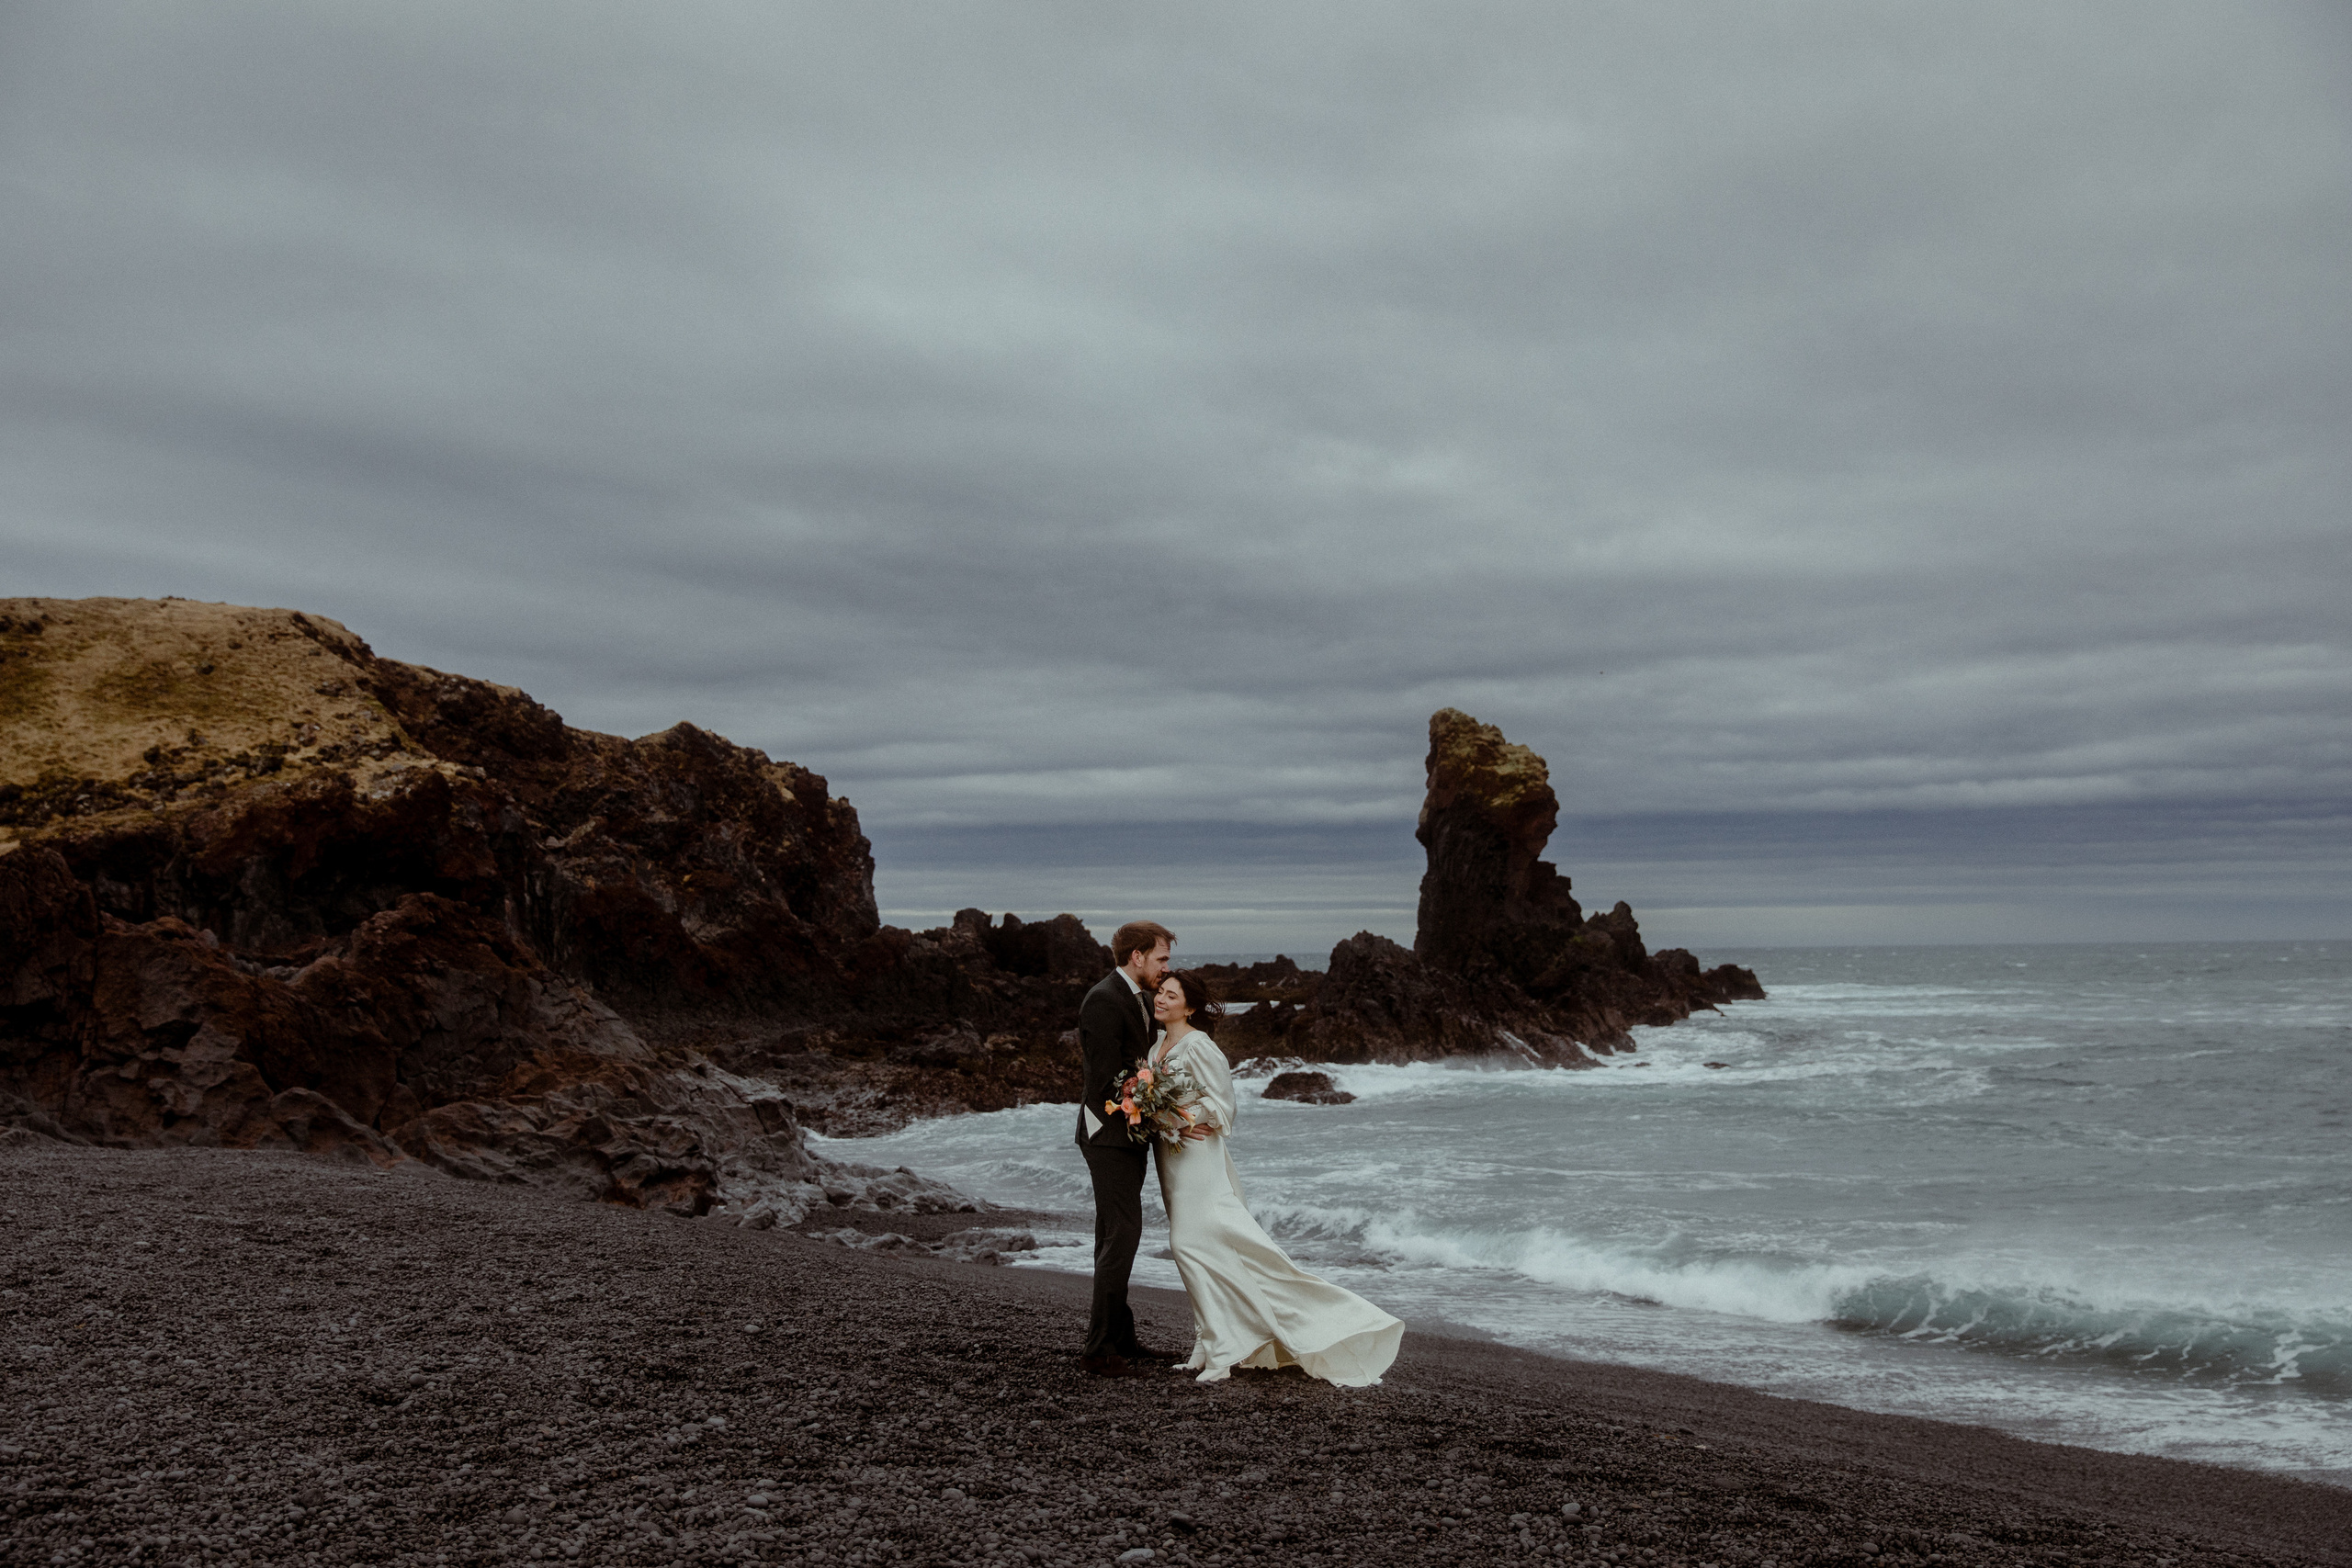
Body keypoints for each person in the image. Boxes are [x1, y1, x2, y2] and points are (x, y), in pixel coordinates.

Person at [1146, 969, 1403, 1385]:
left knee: (1188, 1244)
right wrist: (1152, 1115)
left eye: (1170, 995)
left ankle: (1226, 1353)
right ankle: (1207, 1345)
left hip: (1197, 1157)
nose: (1161, 999)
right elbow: (1157, 1099)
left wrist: (1186, 1118)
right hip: (1170, 1157)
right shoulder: (1158, 1043)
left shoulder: (1199, 1045)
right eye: (1160, 992)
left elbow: (1224, 1105)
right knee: (1201, 1250)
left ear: (1188, 1007)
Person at [1074, 919, 1186, 1377]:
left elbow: (1134, 1063)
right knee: (1122, 1234)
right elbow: (1105, 1081)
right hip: (1107, 1136)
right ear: (1136, 956)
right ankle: (1099, 1349)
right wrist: (1156, 1102)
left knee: (1113, 1234)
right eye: (1161, 958)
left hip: (1125, 1136)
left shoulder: (1136, 998)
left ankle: (1121, 1337)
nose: (1165, 968)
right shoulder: (1103, 1000)